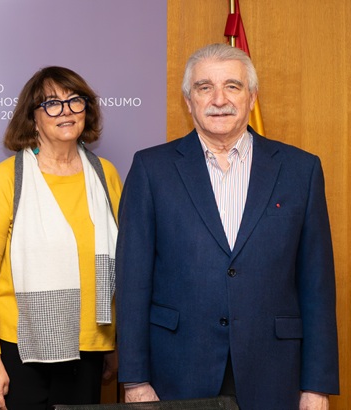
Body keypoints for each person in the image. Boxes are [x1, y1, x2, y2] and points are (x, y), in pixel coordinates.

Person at [116, 43, 339, 410]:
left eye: (232, 86)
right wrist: (136, 380)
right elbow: (132, 283)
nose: (219, 99)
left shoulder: (301, 170)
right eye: (205, 87)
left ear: (251, 97)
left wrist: (316, 386)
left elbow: (316, 285)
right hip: (177, 371)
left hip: (274, 371)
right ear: (189, 101)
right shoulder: (151, 169)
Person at [0, 66, 121, 410]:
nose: (66, 111)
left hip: (89, 350)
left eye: (74, 101)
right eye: (52, 103)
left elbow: (119, 268)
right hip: (19, 350)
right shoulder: (7, 178)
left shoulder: (106, 175)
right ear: (32, 118)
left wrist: (114, 343)